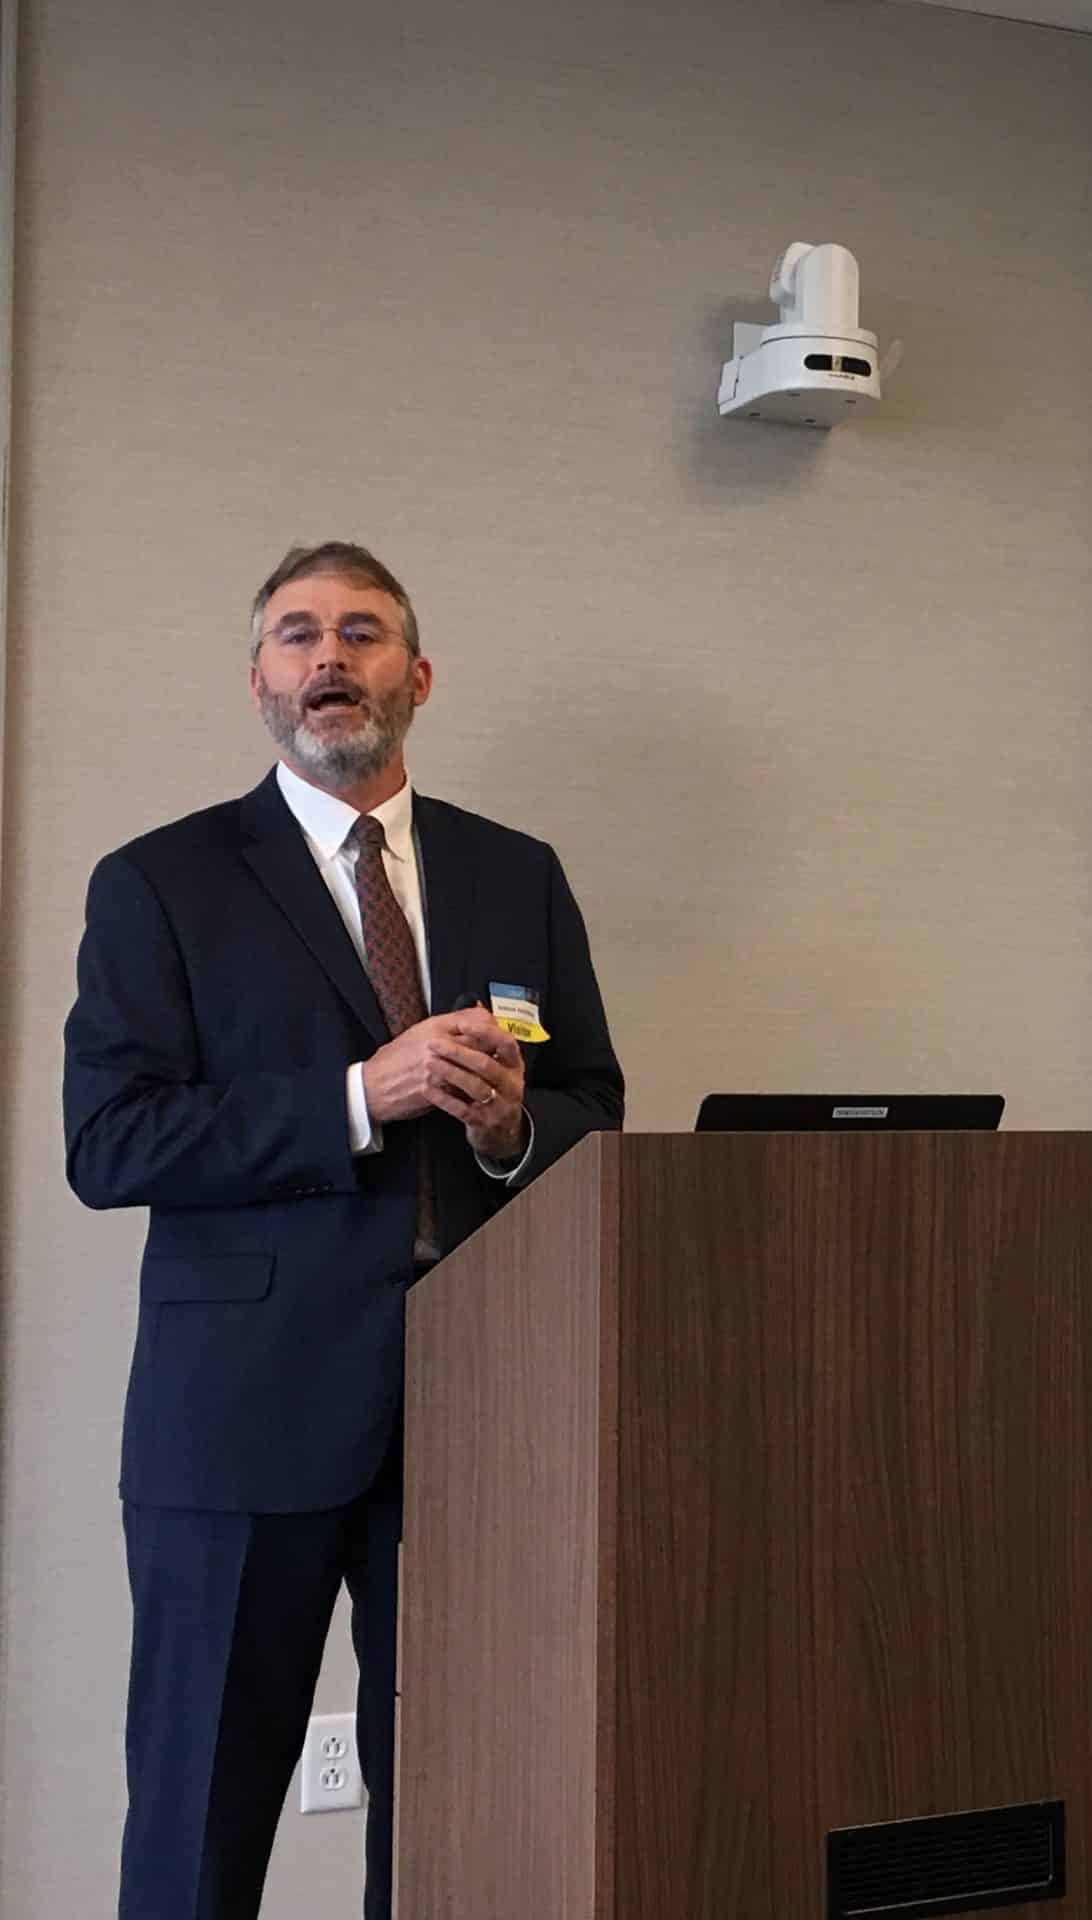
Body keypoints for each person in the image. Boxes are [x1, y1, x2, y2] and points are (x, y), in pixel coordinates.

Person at [62, 543, 625, 1920]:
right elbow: (111, 1141)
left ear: (416, 678)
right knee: (200, 1821)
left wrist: (509, 1130)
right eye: (298, 634)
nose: (331, 657)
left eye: (362, 633)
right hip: (239, 1418)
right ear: (259, 680)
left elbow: (594, 1110)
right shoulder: (162, 881)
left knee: (456, 1811)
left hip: (474, 1418)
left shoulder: (517, 874)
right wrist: (358, 1098)